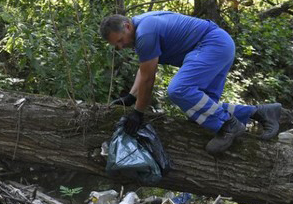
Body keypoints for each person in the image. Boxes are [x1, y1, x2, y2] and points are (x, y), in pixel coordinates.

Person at [100, 11, 281, 155]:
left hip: (211, 44)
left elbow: (149, 78)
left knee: (179, 89)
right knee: (202, 110)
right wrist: (131, 96)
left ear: (127, 25)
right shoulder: (142, 23)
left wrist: (138, 113)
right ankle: (260, 112)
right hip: (219, 44)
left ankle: (229, 126)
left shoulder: (145, 33)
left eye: (120, 41)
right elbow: (144, 69)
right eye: (117, 45)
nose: (121, 47)